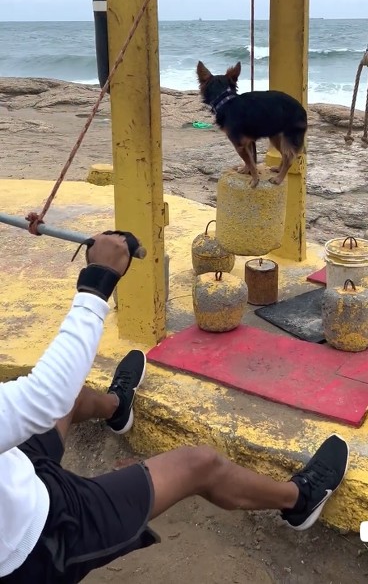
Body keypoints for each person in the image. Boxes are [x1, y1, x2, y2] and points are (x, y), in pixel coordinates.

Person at [0, 230, 349, 583]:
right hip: (33, 543)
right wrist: (97, 282)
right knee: (199, 464)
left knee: (71, 397)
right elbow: (45, 396)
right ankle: (299, 499)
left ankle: (116, 406)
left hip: (11, 466)